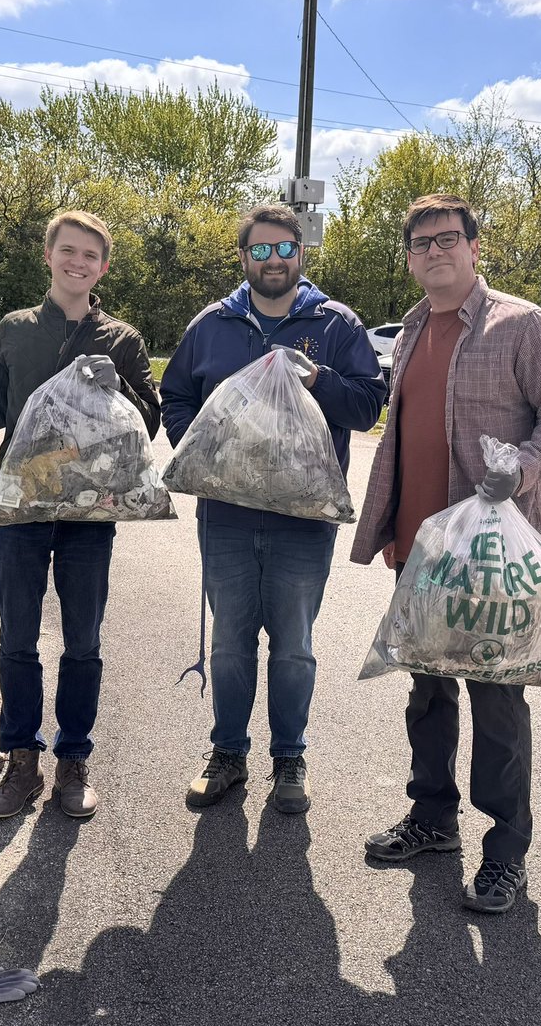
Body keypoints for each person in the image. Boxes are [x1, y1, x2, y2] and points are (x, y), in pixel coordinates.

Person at [350, 193, 541, 913]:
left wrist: (523, 465)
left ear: (474, 248)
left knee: (498, 706)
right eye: (421, 243)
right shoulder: (414, 327)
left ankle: (506, 852)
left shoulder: (522, 326)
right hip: (422, 551)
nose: (434, 252)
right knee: (426, 692)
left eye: (447, 239)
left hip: (490, 565)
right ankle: (432, 818)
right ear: (411, 256)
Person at [0, 210, 160, 821]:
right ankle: (21, 761)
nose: (78, 263)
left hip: (89, 510)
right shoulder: (16, 329)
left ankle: (74, 761)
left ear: (103, 267)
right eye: (68, 251)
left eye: (90, 256)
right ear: (48, 256)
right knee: (17, 638)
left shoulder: (121, 339)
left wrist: (120, 390)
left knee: (83, 642)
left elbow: (147, 424)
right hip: (21, 504)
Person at [161, 204, 386, 815]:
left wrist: (318, 381)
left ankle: (289, 758)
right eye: (260, 251)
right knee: (231, 643)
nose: (274, 260)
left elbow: (368, 405)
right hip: (226, 513)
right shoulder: (213, 325)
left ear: (301, 253)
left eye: (284, 248)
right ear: (243, 258)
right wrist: (196, 446)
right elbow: (176, 393)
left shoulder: (335, 324)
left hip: (303, 518)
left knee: (293, 645)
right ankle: (228, 754)